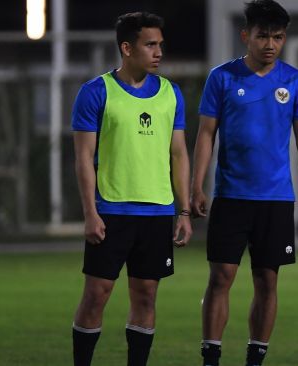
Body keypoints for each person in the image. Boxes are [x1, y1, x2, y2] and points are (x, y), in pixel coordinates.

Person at [190, 1, 298, 365]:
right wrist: (196, 185)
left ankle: (254, 359)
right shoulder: (222, 77)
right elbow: (206, 134)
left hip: (276, 198)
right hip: (231, 195)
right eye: (263, 36)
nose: (270, 44)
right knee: (221, 277)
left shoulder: (294, 81)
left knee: (267, 281)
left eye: (278, 37)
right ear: (246, 35)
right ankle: (211, 357)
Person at [70, 11, 192, 366]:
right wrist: (90, 212)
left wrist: (183, 210)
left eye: (160, 45)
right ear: (126, 47)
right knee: (96, 295)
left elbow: (179, 153)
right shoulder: (95, 92)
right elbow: (82, 157)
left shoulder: (171, 93)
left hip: (157, 213)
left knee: (146, 297)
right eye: (149, 45)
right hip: (110, 212)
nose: (158, 52)